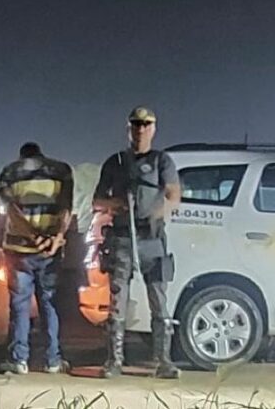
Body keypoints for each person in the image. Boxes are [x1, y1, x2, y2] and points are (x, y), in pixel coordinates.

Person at [93, 106, 181, 379]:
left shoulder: (161, 161)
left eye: (145, 124)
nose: (140, 129)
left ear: (153, 128)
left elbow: (174, 195)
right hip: (122, 239)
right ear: (129, 128)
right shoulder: (116, 162)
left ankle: (163, 361)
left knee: (159, 300)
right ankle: (114, 360)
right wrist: (116, 204)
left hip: (151, 239)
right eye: (135, 124)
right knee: (117, 302)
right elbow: (97, 200)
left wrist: (156, 213)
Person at [0, 142, 73, 374]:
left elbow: (13, 212)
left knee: (20, 305)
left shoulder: (9, 172)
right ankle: (53, 360)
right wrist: (57, 237)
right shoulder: (61, 171)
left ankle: (19, 359)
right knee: (49, 303)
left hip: (19, 250)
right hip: (50, 251)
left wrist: (33, 236)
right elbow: (66, 209)